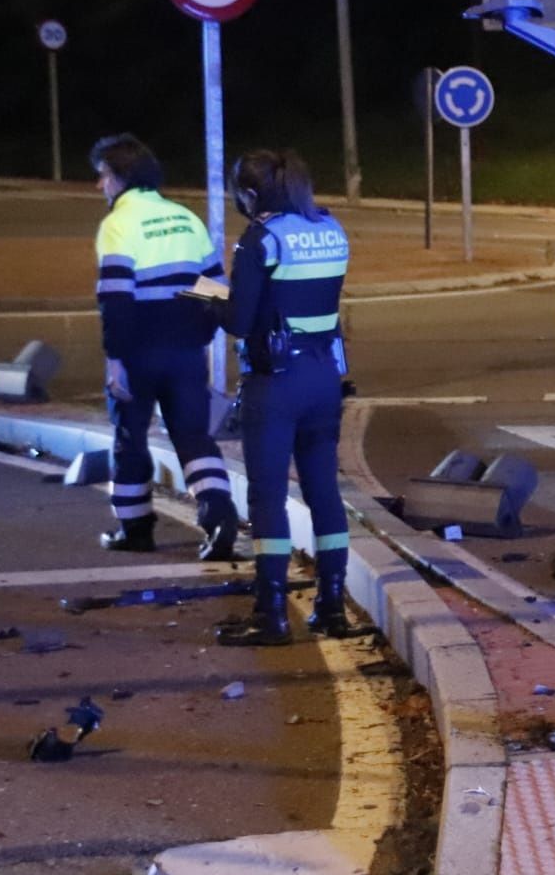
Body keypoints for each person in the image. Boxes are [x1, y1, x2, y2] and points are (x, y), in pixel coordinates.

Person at [217, 148, 363, 646]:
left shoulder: (261, 239)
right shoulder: (331, 229)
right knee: (324, 491)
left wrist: (208, 296)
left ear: (251, 193)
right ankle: (332, 607)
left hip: (275, 381)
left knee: (268, 497)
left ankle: (272, 613)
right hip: (324, 376)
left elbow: (239, 320)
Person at [90, 134, 238, 560]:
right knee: (194, 437)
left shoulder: (118, 224)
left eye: (103, 176)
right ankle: (219, 516)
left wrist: (116, 360)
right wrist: (197, 336)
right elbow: (217, 291)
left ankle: (135, 529)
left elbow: (115, 300)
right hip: (186, 353)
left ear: (119, 177)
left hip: (138, 354)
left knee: (129, 439)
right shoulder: (185, 218)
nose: (101, 186)